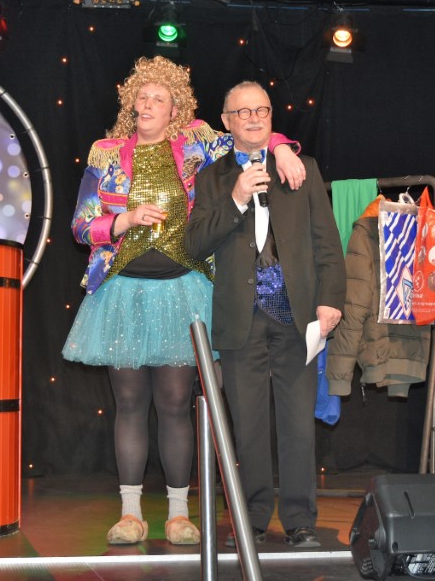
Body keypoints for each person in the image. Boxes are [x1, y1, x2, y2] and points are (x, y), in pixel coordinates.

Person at [62, 57, 306, 546]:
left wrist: (281, 148)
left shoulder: (197, 143)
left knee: (176, 404)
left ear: (175, 109)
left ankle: (178, 514)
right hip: (123, 292)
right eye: (142, 96)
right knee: (129, 403)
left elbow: (249, 134)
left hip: (182, 290)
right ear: (131, 103)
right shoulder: (105, 154)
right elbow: (80, 225)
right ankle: (130, 514)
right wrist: (124, 220)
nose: (147, 104)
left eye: (159, 98)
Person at [184, 81, 346, 548]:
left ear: (271, 116)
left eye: (262, 110)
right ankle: (251, 519)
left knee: (297, 425)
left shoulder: (299, 167)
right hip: (241, 317)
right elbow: (194, 244)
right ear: (227, 121)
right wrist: (236, 198)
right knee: (248, 427)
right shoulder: (212, 178)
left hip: (296, 313)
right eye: (243, 112)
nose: (254, 118)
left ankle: (300, 521)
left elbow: (326, 241)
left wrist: (331, 299)